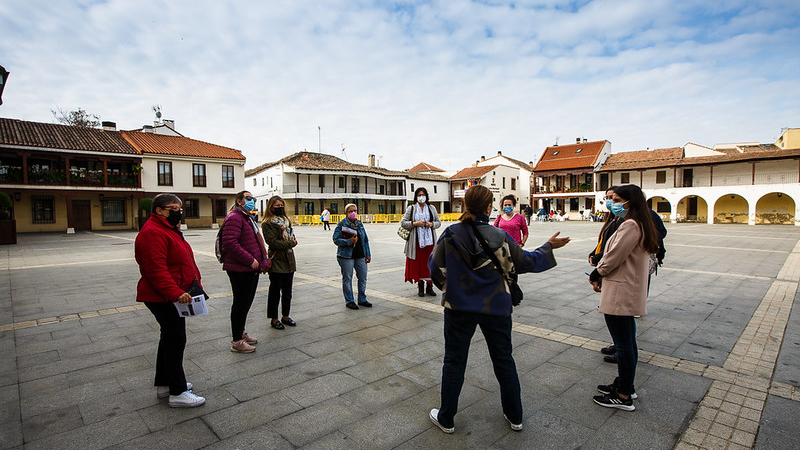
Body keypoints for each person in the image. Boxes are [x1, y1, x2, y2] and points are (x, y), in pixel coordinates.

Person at [428, 185, 570, 433]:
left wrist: (450, 289)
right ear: (488, 207)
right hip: (496, 306)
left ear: (464, 206)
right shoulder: (499, 236)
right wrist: (548, 246)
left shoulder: (451, 234)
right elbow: (526, 261)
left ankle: (447, 417)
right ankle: (515, 415)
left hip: (459, 308)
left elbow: (434, 267)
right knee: (504, 360)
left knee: (454, 361)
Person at [588, 184, 660, 411]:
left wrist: (597, 272)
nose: (614, 203)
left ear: (631, 202)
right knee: (628, 340)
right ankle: (625, 384)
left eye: (618, 199)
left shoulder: (631, 225)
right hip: (628, 288)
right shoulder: (639, 224)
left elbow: (614, 256)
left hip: (621, 291)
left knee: (624, 344)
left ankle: (623, 395)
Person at [135, 193, 205, 408]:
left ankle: (166, 384)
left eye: (179, 208)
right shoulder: (153, 232)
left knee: (169, 339)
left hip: (172, 292)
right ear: (159, 210)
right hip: (162, 296)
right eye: (172, 208)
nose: (178, 212)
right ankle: (178, 391)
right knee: (175, 340)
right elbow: (155, 270)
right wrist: (175, 292)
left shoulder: (167, 229)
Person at [222, 190, 269, 353]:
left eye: (253, 199)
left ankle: (240, 332)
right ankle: (236, 341)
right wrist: (250, 260)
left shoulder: (246, 217)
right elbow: (229, 243)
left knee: (246, 302)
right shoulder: (235, 217)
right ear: (239, 201)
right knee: (240, 304)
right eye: (248, 199)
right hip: (240, 268)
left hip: (250, 268)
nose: (252, 201)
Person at [262, 196, 298, 329]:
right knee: (275, 291)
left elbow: (292, 237)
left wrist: (292, 242)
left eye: (281, 205)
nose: (279, 207)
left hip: (289, 259)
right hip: (277, 260)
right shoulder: (267, 223)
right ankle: (274, 318)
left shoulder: (286, 221)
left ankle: (286, 316)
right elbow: (272, 242)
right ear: (271, 207)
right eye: (276, 205)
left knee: (288, 291)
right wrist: (291, 243)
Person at [401, 187, 441, 297]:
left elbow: (438, 222)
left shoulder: (431, 208)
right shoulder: (411, 208)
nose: (421, 197)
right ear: (416, 197)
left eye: (423, 195)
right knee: (419, 265)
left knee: (430, 264)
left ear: (426, 196)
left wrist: (431, 224)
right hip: (417, 242)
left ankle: (430, 286)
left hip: (430, 242)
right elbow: (403, 223)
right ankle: (420, 286)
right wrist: (415, 223)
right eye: (419, 195)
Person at [333, 203, 372, 309]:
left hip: (360, 255)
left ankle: (362, 299)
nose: (353, 213)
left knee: (363, 278)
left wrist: (368, 254)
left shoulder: (359, 224)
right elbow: (336, 240)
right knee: (347, 278)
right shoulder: (341, 224)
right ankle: (349, 301)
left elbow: (365, 240)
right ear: (346, 213)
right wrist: (348, 241)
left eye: (355, 211)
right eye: (351, 211)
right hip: (346, 256)